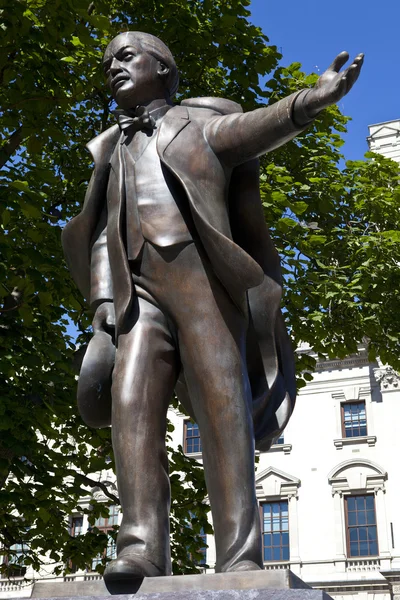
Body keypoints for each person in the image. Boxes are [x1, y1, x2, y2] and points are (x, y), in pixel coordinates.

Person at [62, 31, 363, 586]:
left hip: (202, 286)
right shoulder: (110, 149)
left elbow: (256, 128)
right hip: (138, 295)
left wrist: (310, 101)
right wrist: (104, 296)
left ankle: (239, 554)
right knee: (131, 410)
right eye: (107, 62)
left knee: (224, 416)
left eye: (126, 57)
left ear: (165, 68)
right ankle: (142, 548)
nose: (113, 68)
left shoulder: (200, 124)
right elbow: (102, 232)